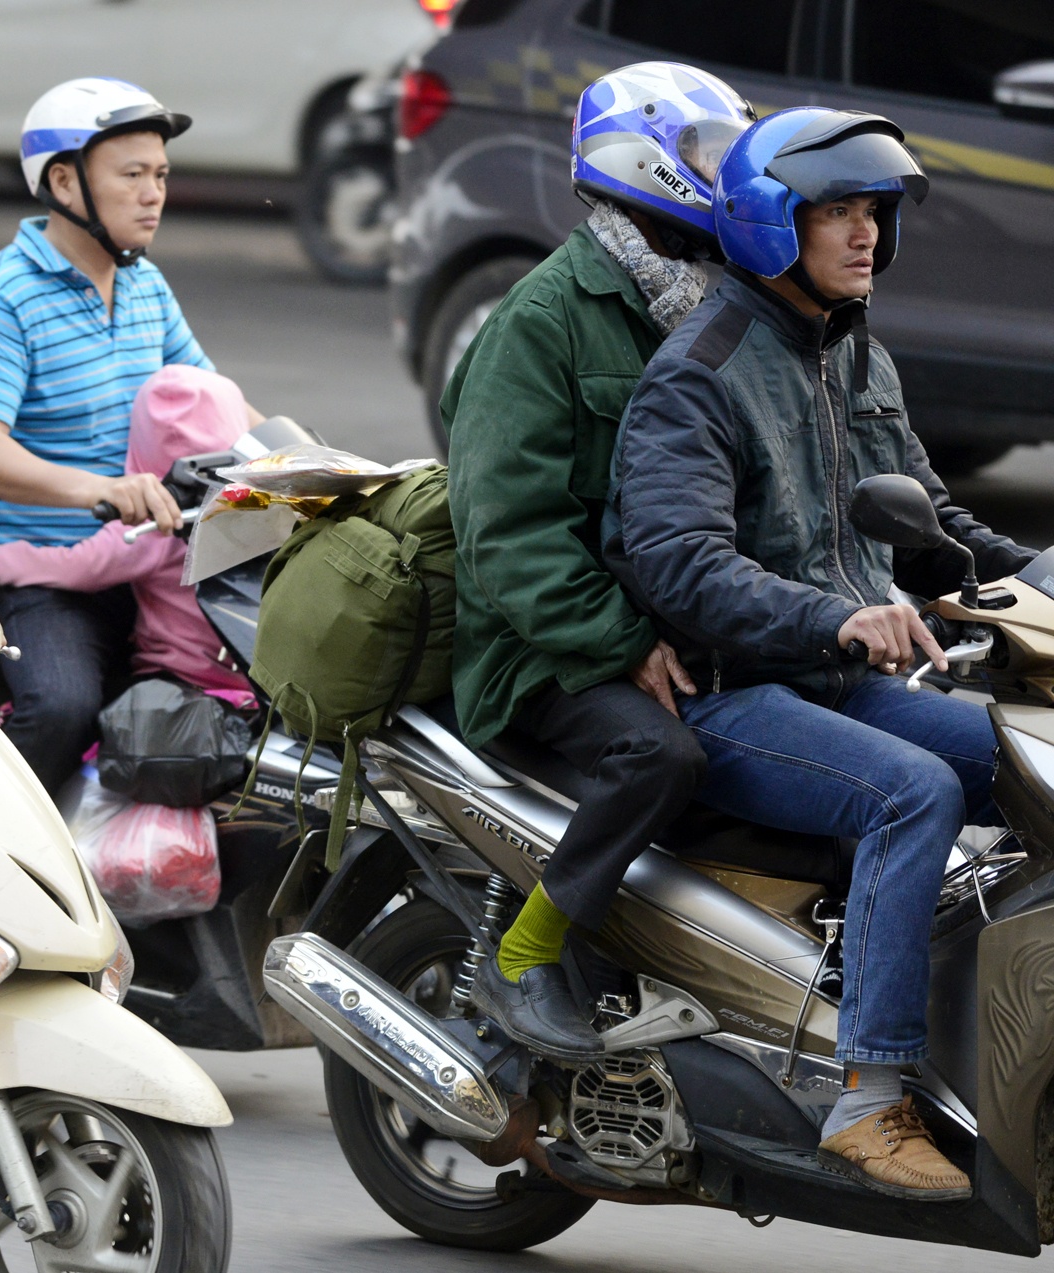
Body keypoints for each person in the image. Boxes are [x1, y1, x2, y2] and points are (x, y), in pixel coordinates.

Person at [610, 107, 1033, 1199]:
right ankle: (870, 1094)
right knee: (914, 792)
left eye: (873, 214)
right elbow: (678, 562)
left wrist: (1035, 576)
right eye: (836, 211)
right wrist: (833, 617)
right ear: (766, 223)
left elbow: (937, 530)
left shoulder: (856, 355)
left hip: (841, 682)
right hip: (731, 691)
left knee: (1024, 761)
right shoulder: (700, 371)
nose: (863, 236)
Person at [444, 63, 753, 1061]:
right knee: (660, 755)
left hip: (674, 624)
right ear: (644, 161)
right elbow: (507, 530)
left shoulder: (711, 308)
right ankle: (525, 954)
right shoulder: (544, 319)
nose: (725, 175)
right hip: (539, 648)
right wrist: (619, 644)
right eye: (707, 153)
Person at [0, 78, 253, 791]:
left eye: (162, 175)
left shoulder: (145, 285)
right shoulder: (3, 298)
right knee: (65, 706)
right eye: (133, 175)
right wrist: (102, 491)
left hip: (143, 550)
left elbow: (218, 399)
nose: (154, 194)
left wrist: (310, 462)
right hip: (41, 567)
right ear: (64, 181)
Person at [0, 364, 257, 706]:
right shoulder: (266, 506)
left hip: (180, 678)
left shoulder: (157, 525)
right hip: (257, 676)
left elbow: (74, 566)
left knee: (74, 709)